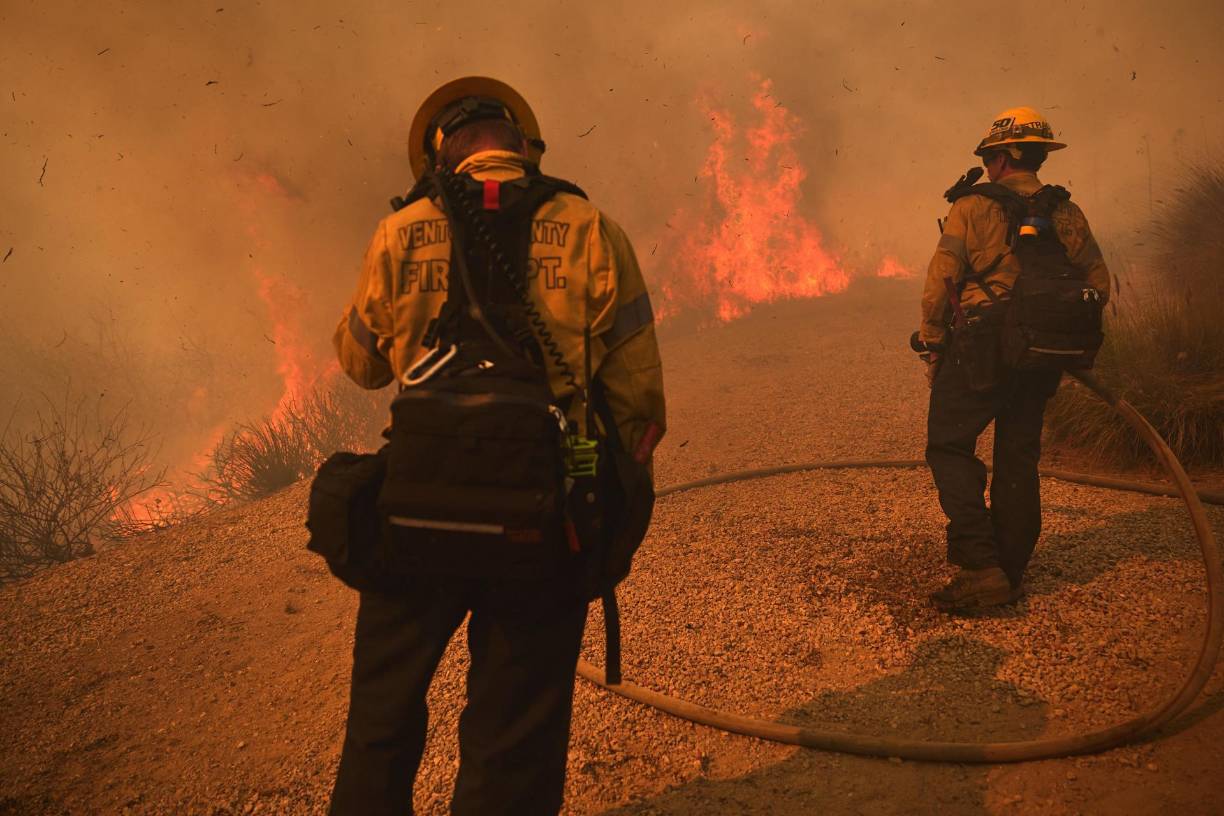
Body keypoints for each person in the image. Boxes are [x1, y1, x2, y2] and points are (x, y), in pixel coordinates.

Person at [327, 76, 666, 815]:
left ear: (438, 155)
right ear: (523, 145)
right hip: (540, 521)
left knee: (381, 719)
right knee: (514, 735)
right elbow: (639, 402)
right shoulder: (590, 227)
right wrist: (605, 496)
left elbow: (360, 364)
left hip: (415, 512)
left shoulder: (401, 228)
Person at [918, 107, 1110, 612]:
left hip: (981, 345)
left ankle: (981, 568)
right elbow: (1099, 283)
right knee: (1018, 456)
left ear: (1001, 157)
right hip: (1040, 352)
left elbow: (942, 278)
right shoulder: (1067, 212)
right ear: (1040, 156)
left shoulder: (972, 206)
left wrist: (934, 341)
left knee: (949, 445)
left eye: (989, 158)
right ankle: (1011, 570)